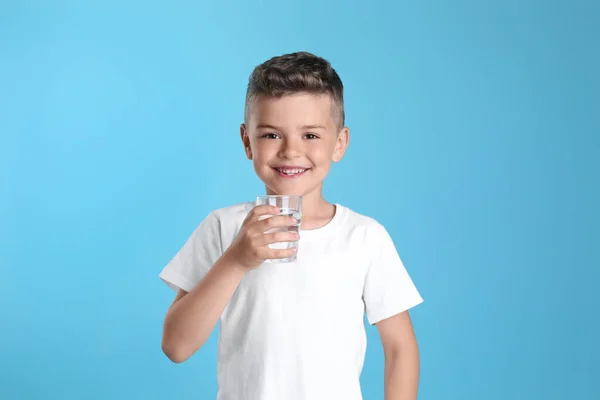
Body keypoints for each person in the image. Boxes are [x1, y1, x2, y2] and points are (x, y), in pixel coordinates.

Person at [159, 51, 424, 400]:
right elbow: (176, 346)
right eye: (271, 135)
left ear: (339, 143)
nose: (290, 151)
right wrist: (236, 260)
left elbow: (400, 350)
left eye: (311, 136)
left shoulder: (364, 238)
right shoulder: (223, 228)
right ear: (246, 142)